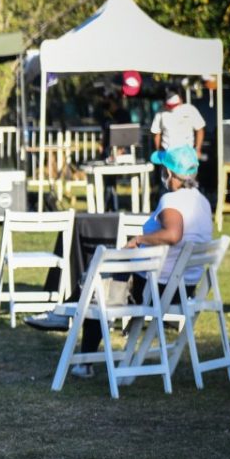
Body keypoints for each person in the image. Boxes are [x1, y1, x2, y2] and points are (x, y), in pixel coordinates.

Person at [26, 145, 213, 378]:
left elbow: (173, 234)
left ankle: (67, 322)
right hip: (184, 289)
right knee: (101, 277)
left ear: (168, 172)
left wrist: (139, 239)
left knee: (97, 281)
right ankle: (63, 315)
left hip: (156, 288)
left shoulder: (172, 200)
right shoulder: (202, 203)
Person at [151, 89, 205, 157]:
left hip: (187, 153)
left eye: (174, 105)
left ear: (181, 101)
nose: (172, 108)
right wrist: (158, 151)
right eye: (169, 106)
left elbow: (200, 129)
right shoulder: (160, 112)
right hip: (168, 153)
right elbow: (156, 133)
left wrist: (198, 149)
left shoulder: (190, 109)